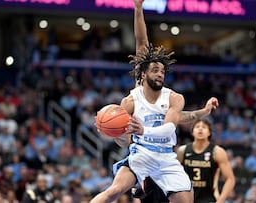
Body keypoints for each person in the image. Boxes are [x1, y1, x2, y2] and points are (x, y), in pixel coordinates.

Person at [89, 0, 219, 202]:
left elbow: (170, 127)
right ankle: (145, 188)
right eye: (155, 70)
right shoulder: (131, 100)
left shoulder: (174, 97)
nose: (160, 74)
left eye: (163, 71)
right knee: (113, 191)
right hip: (141, 154)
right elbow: (141, 41)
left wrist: (202, 112)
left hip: (166, 158)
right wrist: (114, 132)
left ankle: (149, 191)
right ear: (143, 73)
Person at [177, 118, 235, 203]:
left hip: (209, 198)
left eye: (204, 127)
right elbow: (174, 176)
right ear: (192, 132)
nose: (200, 129)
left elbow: (230, 179)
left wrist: (221, 200)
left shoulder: (217, 152)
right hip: (187, 198)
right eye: (197, 127)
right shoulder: (182, 151)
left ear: (210, 132)